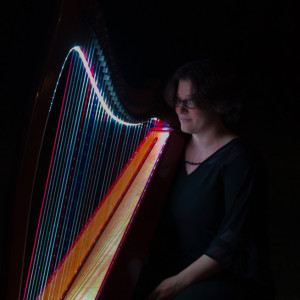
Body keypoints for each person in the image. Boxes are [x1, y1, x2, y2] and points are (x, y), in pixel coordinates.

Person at [133, 59, 274, 300]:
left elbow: (232, 243)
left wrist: (176, 284)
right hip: (175, 265)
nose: (180, 109)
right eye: (178, 100)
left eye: (191, 102)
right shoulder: (172, 150)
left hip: (224, 274)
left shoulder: (239, 159)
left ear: (218, 104)